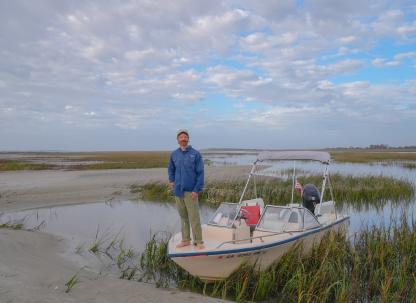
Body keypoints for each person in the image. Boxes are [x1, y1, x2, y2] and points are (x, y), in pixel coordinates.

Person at [168, 129, 205, 249]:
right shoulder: (174, 154)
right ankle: (185, 240)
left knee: (194, 217)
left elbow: (200, 174)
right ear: (177, 140)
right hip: (178, 191)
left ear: (188, 139)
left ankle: (198, 241)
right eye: (181, 137)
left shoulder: (195, 154)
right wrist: (172, 181)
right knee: (183, 217)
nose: (183, 138)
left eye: (185, 137)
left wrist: (196, 190)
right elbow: (171, 169)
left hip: (191, 191)